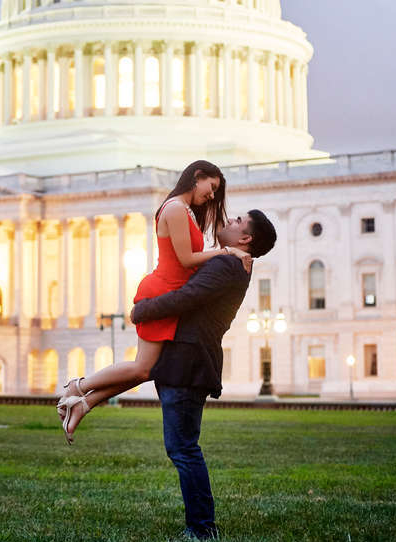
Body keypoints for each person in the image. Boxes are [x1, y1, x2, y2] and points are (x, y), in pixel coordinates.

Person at [57, 160, 252, 443]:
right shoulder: (174, 208)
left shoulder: (185, 210)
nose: (212, 196)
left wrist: (227, 251)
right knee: (141, 368)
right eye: (211, 188)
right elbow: (186, 260)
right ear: (197, 177)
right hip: (160, 292)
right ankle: (78, 386)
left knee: (147, 370)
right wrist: (225, 252)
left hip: (170, 294)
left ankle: (84, 404)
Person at [130, 209, 277, 541]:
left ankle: (202, 527)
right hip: (188, 361)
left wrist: (143, 309)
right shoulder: (232, 261)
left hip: (188, 361)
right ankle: (201, 523)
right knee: (183, 447)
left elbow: (188, 297)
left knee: (183, 448)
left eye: (238, 221)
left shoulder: (228, 265)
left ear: (246, 238)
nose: (230, 220)